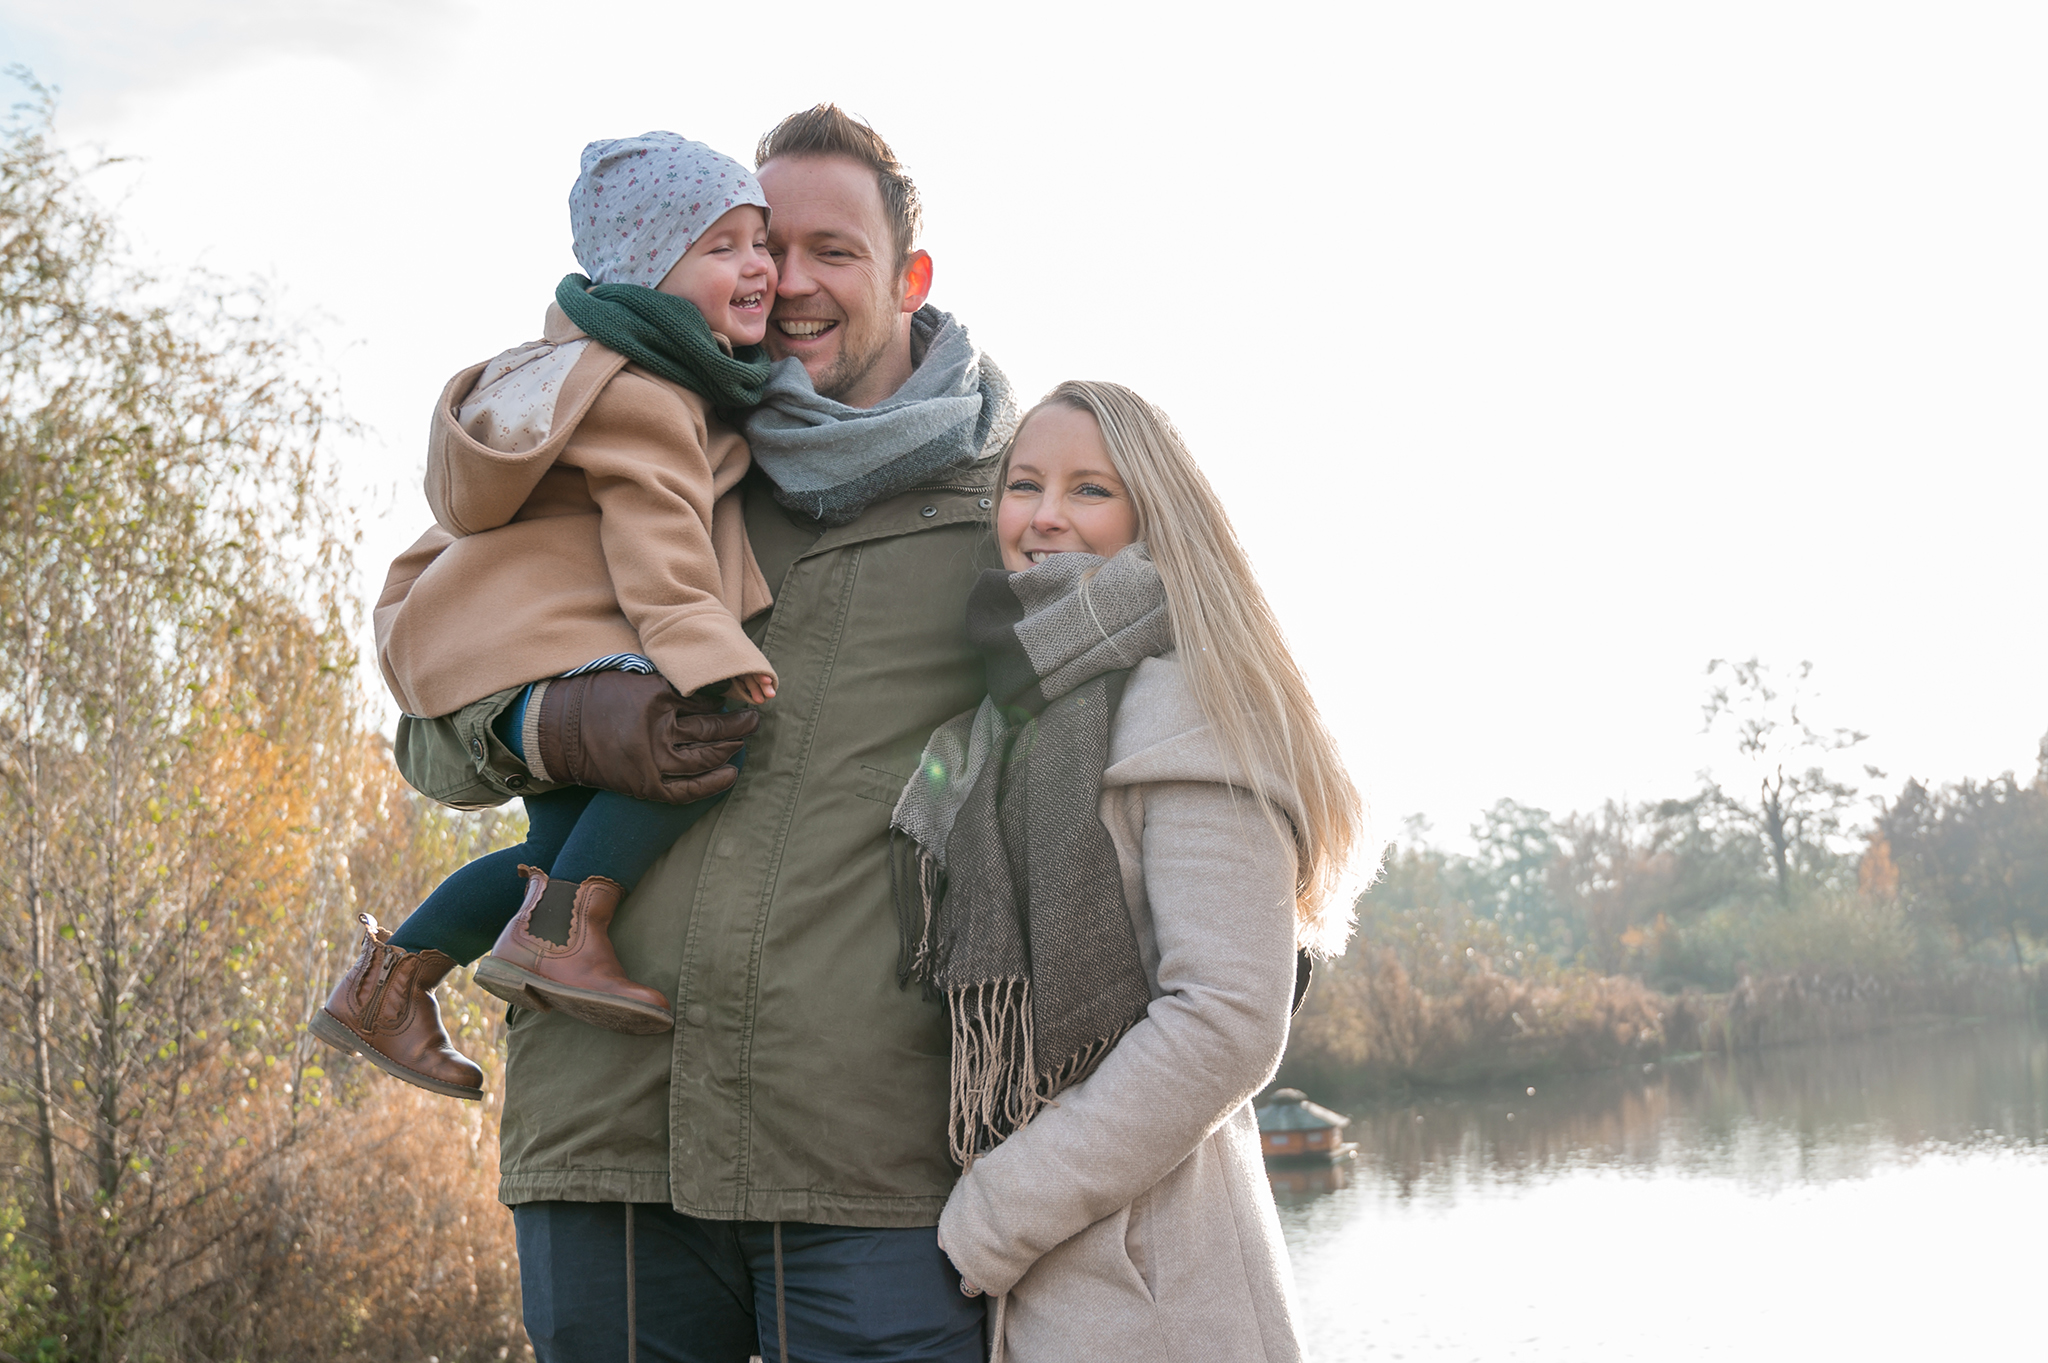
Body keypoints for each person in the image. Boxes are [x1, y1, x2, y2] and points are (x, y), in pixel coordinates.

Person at [394, 107, 1016, 1361]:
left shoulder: (1010, 508)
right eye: (759, 245)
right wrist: (550, 719)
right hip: (607, 1137)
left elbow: (1083, 749)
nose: (786, 283)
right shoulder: (596, 444)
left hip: (866, 1154)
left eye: (831, 252)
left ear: (909, 278)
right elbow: (425, 731)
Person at [898, 381, 1365, 1360]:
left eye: (1088, 489)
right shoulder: (995, 727)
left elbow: (1228, 1019)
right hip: (1032, 1279)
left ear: (1150, 514)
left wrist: (995, 1209)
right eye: (1021, 485)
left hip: (1153, 1282)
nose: (1044, 516)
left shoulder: (1188, 703)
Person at [314, 134, 786, 1100]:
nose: (761, 267)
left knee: (553, 857)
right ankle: (562, 937)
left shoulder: (607, 368)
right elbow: (661, 538)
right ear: (653, 274)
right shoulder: (641, 388)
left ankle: (390, 980)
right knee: (697, 739)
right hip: (547, 654)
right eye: (725, 247)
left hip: (520, 648)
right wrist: (708, 653)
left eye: (761, 242)